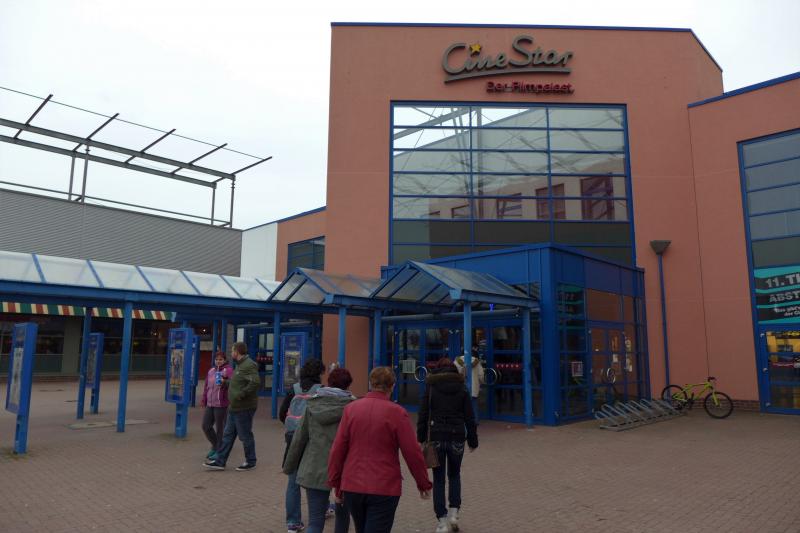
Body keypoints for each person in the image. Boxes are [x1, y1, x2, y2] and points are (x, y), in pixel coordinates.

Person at [328, 367, 432, 533]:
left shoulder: (351, 409)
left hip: (353, 484)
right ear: (392, 386)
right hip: (384, 485)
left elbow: (338, 448)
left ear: (371, 383)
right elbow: (412, 452)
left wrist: (336, 483)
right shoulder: (397, 413)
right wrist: (423, 483)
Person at [283, 368, 355, 533]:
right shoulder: (353, 408)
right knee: (342, 518)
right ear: (347, 385)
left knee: (315, 522)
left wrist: (289, 467)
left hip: (314, 467)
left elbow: (299, 439)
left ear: (329, 382)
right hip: (344, 470)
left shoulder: (312, 405)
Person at [417, 358, 479, 533]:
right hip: (457, 436)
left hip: (436, 436)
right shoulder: (462, 387)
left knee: (438, 479)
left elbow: (423, 413)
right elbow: (470, 417)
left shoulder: (431, 387)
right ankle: (454, 512)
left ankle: (442, 521)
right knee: (454, 474)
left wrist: (421, 437)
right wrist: (473, 441)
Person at [280, 358, 326, 533]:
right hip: (312, 439)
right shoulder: (320, 390)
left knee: (293, 482)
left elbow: (282, 413)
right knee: (315, 477)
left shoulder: (294, 389)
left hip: (293, 438)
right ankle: (321, 509)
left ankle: (293, 521)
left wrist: (292, 427)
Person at [203, 341, 259, 471]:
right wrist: (226, 382)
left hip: (244, 407)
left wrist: (241, 394)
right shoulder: (239, 365)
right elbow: (237, 382)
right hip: (234, 407)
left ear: (237, 352)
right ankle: (220, 461)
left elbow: (255, 383)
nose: (231, 353)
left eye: (233, 350)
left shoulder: (248, 365)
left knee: (245, 435)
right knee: (227, 435)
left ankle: (251, 461)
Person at [200, 351, 233, 461]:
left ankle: (219, 450)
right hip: (210, 403)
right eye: (216, 359)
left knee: (220, 429)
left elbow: (233, 383)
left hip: (221, 404)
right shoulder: (211, 371)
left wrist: (225, 381)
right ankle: (215, 445)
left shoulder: (228, 370)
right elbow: (206, 386)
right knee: (205, 426)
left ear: (225, 360)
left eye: (220, 359)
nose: (218, 361)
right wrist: (204, 399)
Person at [454, 348, 485, 421]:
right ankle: (475, 421)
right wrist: (481, 382)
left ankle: (463, 421)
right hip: (473, 389)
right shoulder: (477, 362)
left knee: (461, 406)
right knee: (473, 405)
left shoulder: (456, 362)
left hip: (460, 388)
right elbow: (481, 375)